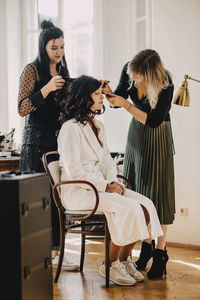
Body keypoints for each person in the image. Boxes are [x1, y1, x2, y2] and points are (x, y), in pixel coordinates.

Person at [57, 75, 163, 286]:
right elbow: (74, 170)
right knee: (127, 208)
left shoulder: (98, 125)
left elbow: (106, 160)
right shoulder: (70, 128)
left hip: (100, 186)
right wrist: (105, 185)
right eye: (96, 94)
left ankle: (123, 260)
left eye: (100, 93)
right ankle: (110, 263)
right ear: (82, 97)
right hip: (79, 191)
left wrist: (114, 182)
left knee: (145, 205)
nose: (102, 98)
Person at [102, 49, 175, 279]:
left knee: (158, 193)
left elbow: (153, 121)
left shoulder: (166, 82)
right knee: (139, 191)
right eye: (130, 74)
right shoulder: (129, 70)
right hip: (136, 135)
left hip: (157, 135)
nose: (132, 78)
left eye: (136, 76)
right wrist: (109, 94)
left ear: (150, 74)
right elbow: (118, 99)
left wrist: (125, 105)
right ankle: (145, 246)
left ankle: (160, 253)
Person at [17, 19, 78, 271]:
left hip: (57, 142)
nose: (59, 52)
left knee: (56, 199)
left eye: (62, 47)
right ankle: (36, 254)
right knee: (37, 200)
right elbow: (22, 108)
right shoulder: (32, 70)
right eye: (54, 48)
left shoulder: (63, 71)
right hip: (35, 143)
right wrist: (47, 89)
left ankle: (57, 254)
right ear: (43, 47)